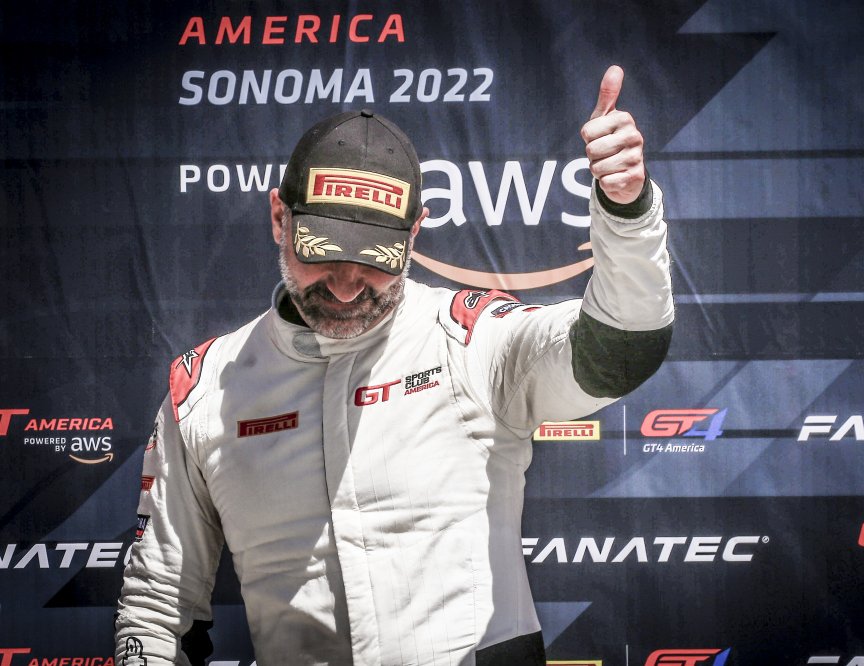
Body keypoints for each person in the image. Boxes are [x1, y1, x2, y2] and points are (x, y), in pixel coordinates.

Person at [115, 65, 674, 666]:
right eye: (323, 254)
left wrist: (626, 213)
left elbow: (621, 349)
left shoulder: (469, 339)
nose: (348, 286)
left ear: (414, 233)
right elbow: (157, 608)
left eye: (376, 260)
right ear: (280, 218)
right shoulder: (205, 389)